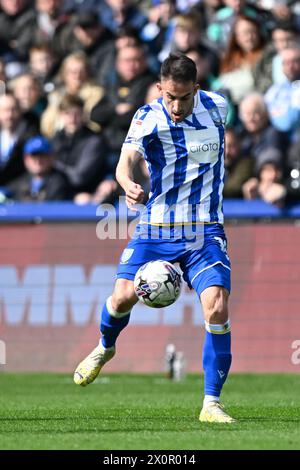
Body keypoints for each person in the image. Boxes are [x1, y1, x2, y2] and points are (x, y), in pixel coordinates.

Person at [74, 53, 235, 424]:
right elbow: (125, 159)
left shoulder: (217, 107)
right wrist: (127, 183)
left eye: (183, 97)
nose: (176, 106)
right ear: (160, 88)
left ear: (197, 88)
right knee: (122, 297)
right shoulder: (147, 116)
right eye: (169, 97)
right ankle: (104, 347)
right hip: (157, 226)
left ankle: (211, 403)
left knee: (216, 305)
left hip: (204, 227)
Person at [8, 135, 71, 201]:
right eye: (34, 156)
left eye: (42, 156)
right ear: (26, 159)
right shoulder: (20, 182)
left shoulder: (60, 181)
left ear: (51, 157)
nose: (38, 161)